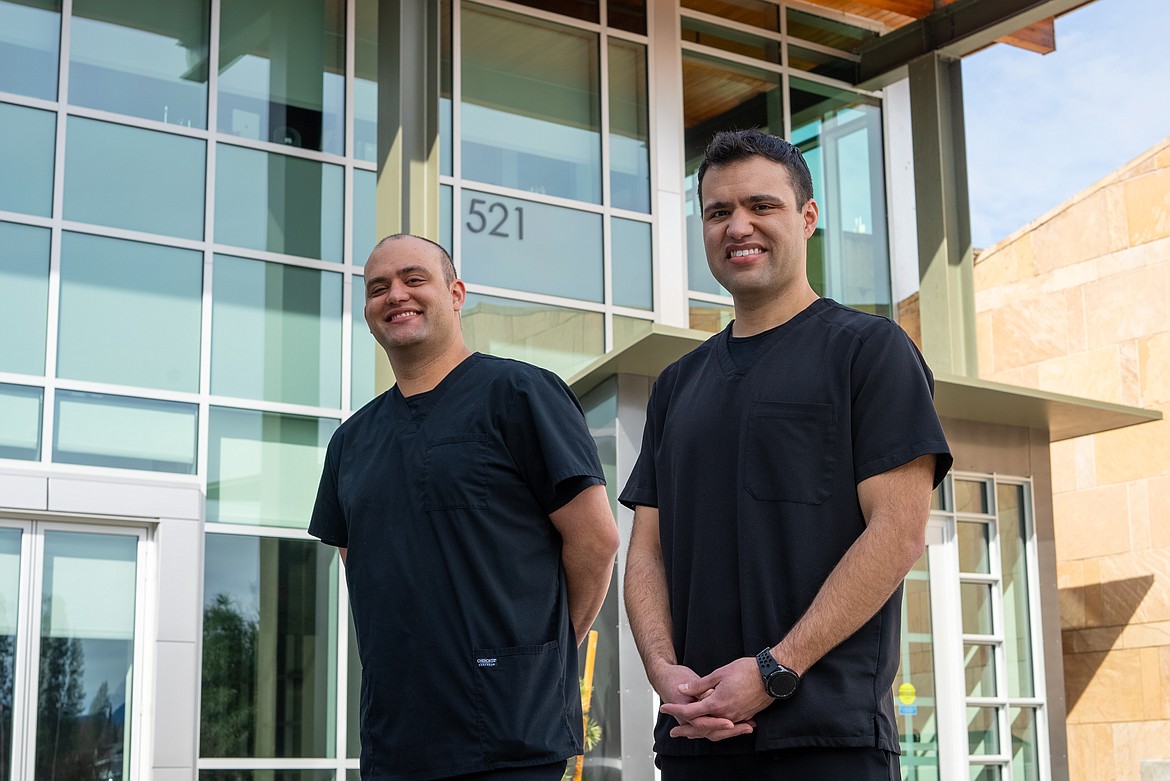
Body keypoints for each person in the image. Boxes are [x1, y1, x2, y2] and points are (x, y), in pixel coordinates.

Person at [620, 129, 953, 780]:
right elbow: (646, 550)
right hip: (695, 743)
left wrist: (775, 669)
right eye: (718, 212)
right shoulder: (676, 386)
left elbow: (899, 532)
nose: (737, 225)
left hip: (825, 743)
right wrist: (664, 671)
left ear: (807, 217)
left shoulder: (869, 352)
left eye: (760, 205)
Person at [310, 234, 620, 781]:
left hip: (509, 738)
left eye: (413, 279)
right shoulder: (351, 442)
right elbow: (356, 561)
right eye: (377, 288)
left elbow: (596, 541)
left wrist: (540, 653)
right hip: (396, 743)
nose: (394, 295)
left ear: (455, 294)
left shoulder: (521, 394)